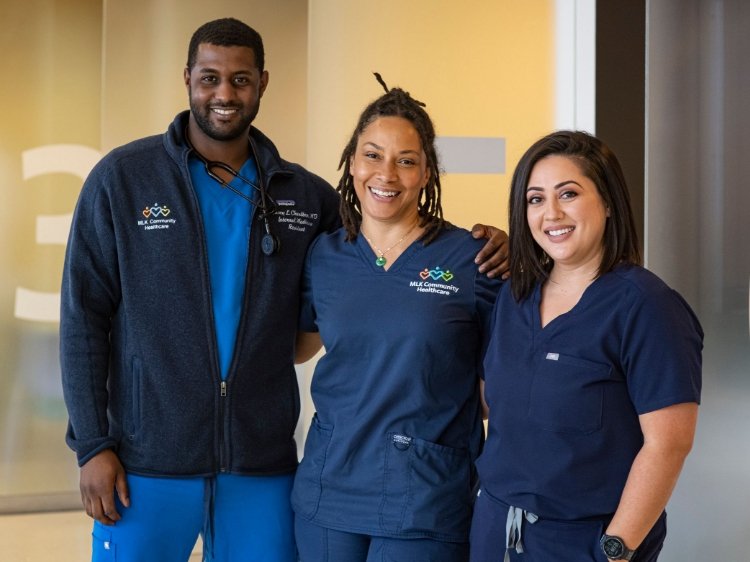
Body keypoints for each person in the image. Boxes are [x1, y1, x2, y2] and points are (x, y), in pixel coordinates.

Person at [60, 19, 509, 562]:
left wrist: (489, 243)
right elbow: (83, 318)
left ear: (262, 83)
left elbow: (389, 232)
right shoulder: (123, 180)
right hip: (147, 461)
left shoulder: (307, 197)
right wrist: (92, 445)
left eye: (241, 79)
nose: (224, 93)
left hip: (261, 463)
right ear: (187, 79)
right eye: (209, 78)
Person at [291, 75, 503, 562]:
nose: (386, 174)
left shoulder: (475, 260)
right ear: (351, 161)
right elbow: (299, 346)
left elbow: (499, 396)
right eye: (372, 155)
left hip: (426, 497)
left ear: (426, 172)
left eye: (406, 161)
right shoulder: (324, 256)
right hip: (329, 491)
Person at [470, 131, 703, 562]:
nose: (551, 213)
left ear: (609, 201)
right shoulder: (515, 296)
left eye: (569, 194)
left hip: (584, 543)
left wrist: (616, 549)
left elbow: (669, 444)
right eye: (535, 199)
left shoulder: (647, 307)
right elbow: (495, 404)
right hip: (494, 529)